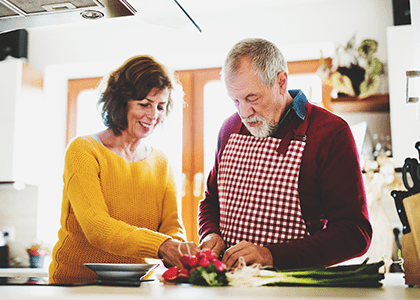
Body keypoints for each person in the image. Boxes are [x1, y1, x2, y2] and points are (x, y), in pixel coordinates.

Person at [198, 38, 372, 271]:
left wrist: (272, 255)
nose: (244, 113)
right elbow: (211, 200)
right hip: (231, 284)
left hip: (296, 287)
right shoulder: (229, 129)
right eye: (235, 100)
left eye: (252, 98)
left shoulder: (330, 133)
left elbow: (355, 232)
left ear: (281, 82)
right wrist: (210, 233)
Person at [49, 55, 198, 284]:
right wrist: (162, 245)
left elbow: (171, 227)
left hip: (137, 285)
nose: (153, 115)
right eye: (144, 104)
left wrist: (178, 250)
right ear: (121, 101)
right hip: (76, 284)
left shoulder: (161, 162)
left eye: (160, 106)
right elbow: (97, 227)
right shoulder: (84, 150)